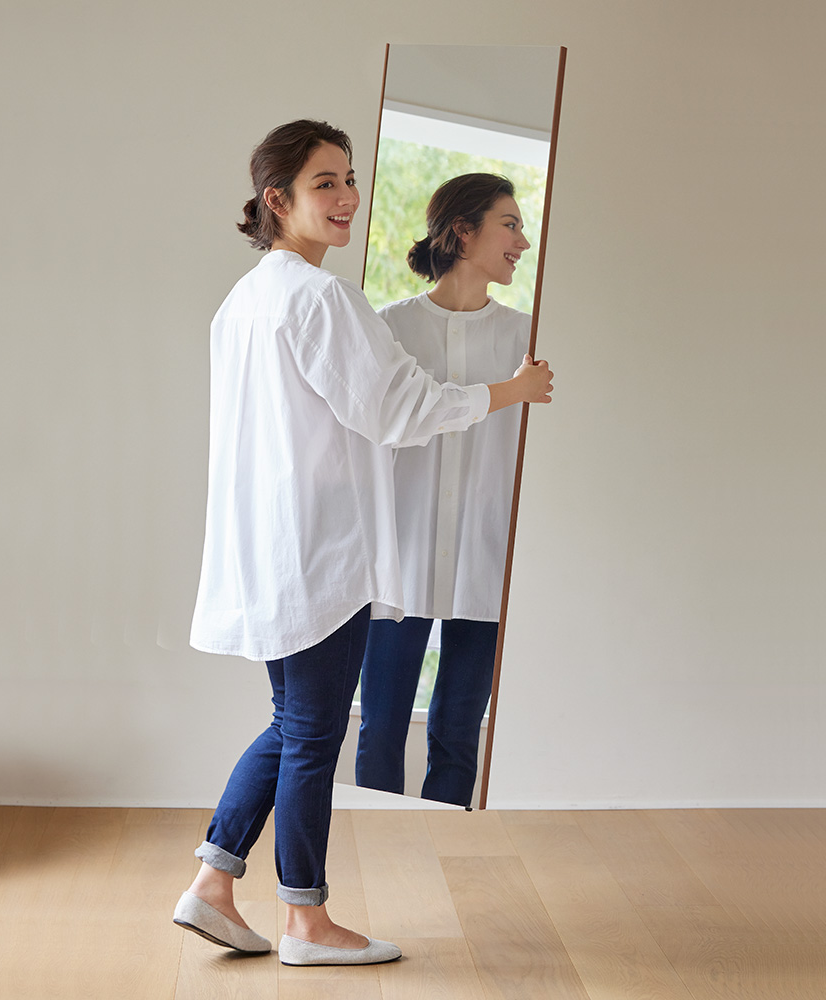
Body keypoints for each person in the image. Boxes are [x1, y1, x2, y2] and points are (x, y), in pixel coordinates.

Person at [176, 122, 552, 968]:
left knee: (294, 724)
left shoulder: (244, 301)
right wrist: (510, 391)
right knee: (312, 736)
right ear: (278, 200)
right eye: (326, 183)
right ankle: (305, 921)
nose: (347, 196)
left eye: (349, 178)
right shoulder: (322, 299)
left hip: (271, 548)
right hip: (322, 553)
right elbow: (401, 409)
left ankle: (213, 883)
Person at [355, 173, 535, 808]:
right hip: (398, 562)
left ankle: (445, 848)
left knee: (458, 733)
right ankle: (377, 847)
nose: (523, 242)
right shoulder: (388, 329)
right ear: (463, 230)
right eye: (510, 225)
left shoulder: (528, 340)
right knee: (379, 728)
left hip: (486, 559)